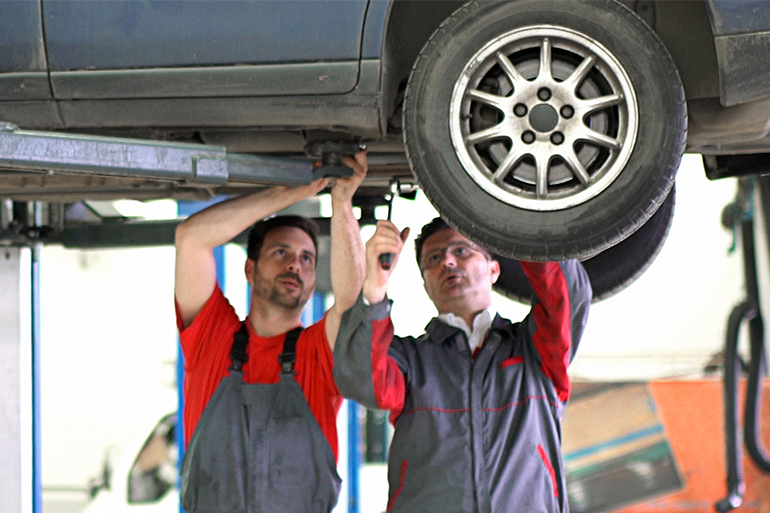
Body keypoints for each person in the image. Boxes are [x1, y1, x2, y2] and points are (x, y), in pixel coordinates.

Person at [334, 217, 592, 513]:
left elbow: (567, 297)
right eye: (434, 258)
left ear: (494, 270)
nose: (447, 260)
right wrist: (374, 289)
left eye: (461, 251)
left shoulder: (535, 349)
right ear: (426, 285)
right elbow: (359, 378)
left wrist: (524, 221)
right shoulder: (411, 361)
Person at [174, 152, 367, 513]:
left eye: (307, 258)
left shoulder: (319, 353)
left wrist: (342, 202)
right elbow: (191, 238)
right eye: (281, 252)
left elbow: (350, 301)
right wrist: (289, 192)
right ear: (251, 269)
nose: (295, 263)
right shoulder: (212, 340)